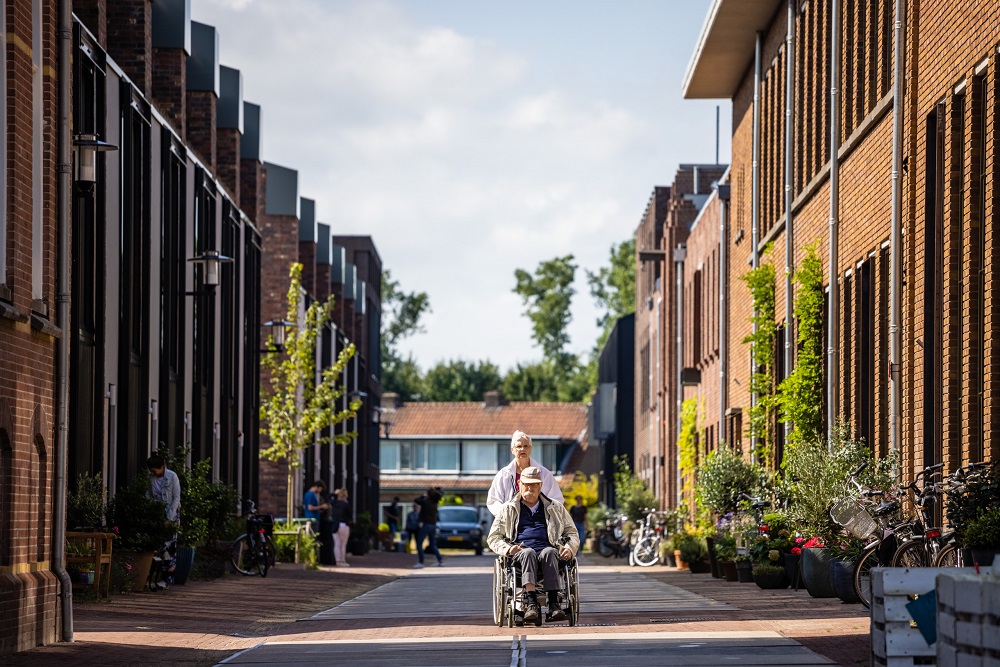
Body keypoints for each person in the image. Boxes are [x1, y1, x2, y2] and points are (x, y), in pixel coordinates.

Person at [487, 466, 579, 622]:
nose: (530, 488)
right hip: (520, 555)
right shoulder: (508, 509)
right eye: (526, 484)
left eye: (534, 484)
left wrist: (569, 548)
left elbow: (572, 533)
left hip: (549, 554)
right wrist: (508, 549)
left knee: (549, 551)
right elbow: (494, 537)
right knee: (528, 552)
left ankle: (553, 604)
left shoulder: (555, 507)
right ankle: (531, 603)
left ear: (540, 485)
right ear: (519, 484)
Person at [487, 430, 563, 516]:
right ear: (512, 450)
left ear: (530, 449)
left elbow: (557, 500)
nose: (522, 449)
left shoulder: (544, 474)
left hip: (538, 521)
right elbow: (493, 501)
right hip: (510, 521)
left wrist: (542, 514)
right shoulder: (503, 475)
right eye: (519, 446)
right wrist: (505, 514)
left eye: (526, 446)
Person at [147, 453, 181, 589]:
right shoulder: (150, 478)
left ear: (162, 467)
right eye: (151, 471)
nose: (153, 473)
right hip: (156, 514)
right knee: (155, 547)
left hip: (171, 514)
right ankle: (150, 577)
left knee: (169, 547)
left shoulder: (172, 476)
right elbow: (148, 495)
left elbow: (176, 498)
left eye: (155, 470)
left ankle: (166, 580)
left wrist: (169, 517)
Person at [413, 486, 444, 568]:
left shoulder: (425, 502)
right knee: (433, 544)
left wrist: (423, 496)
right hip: (433, 525)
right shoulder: (435, 503)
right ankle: (440, 560)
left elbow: (416, 500)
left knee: (419, 543)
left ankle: (421, 562)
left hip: (426, 524)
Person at [329, 488, 351, 567]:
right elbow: (349, 515)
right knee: (343, 544)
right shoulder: (346, 504)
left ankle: (337, 561)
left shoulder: (334, 503)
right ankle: (342, 560)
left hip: (335, 524)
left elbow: (328, 497)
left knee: (337, 544)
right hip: (343, 525)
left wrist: (334, 494)